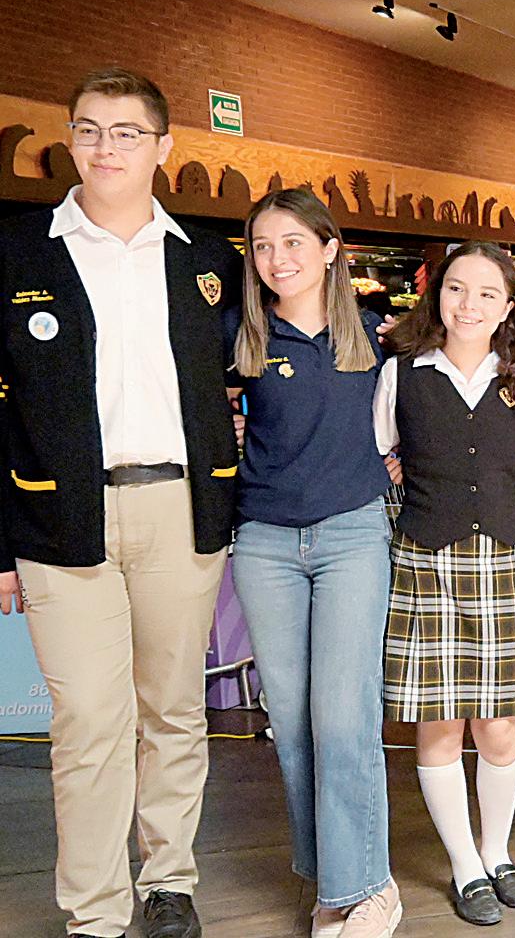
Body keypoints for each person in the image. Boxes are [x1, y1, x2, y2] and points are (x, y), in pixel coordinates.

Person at [0, 67, 239, 938]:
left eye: (127, 132)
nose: (106, 147)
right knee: (88, 723)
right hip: (58, 520)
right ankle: (96, 913)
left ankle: (169, 881)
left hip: (181, 511)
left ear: (162, 147)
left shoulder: (208, 259)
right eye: (90, 129)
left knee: (173, 710)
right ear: (71, 138)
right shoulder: (18, 251)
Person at [223, 188, 403, 938]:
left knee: (343, 715)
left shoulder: (379, 332)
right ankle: (332, 879)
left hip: (352, 536)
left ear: (331, 250)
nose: (278, 259)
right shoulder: (240, 333)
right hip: (265, 542)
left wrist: (404, 456)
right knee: (291, 722)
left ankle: (368, 888)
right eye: (263, 246)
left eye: (293, 242)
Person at [373, 241, 515, 927]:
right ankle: (464, 866)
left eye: (486, 293)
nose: (469, 304)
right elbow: (377, 449)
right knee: (441, 723)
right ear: (437, 295)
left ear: (508, 307)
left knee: (500, 725)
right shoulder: (401, 374)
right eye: (456, 289)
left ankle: (497, 852)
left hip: (503, 561)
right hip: (426, 562)